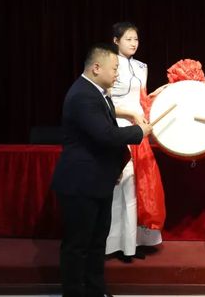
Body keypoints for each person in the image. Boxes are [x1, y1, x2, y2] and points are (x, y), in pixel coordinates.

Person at [51, 42, 151, 297]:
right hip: (80, 183)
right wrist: (139, 132)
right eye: (114, 68)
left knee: (97, 243)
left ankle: (95, 290)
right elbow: (105, 134)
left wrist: (116, 164)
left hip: (98, 180)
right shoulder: (83, 95)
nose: (118, 74)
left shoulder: (98, 93)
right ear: (96, 68)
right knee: (78, 246)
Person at [105, 22, 162, 259]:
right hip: (118, 126)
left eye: (136, 39)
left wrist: (156, 96)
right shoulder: (109, 64)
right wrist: (129, 114)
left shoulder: (141, 66)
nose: (133, 43)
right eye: (128, 39)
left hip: (138, 129)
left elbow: (141, 98)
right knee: (121, 183)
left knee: (138, 184)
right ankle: (113, 244)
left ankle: (133, 243)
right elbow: (104, 103)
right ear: (116, 41)